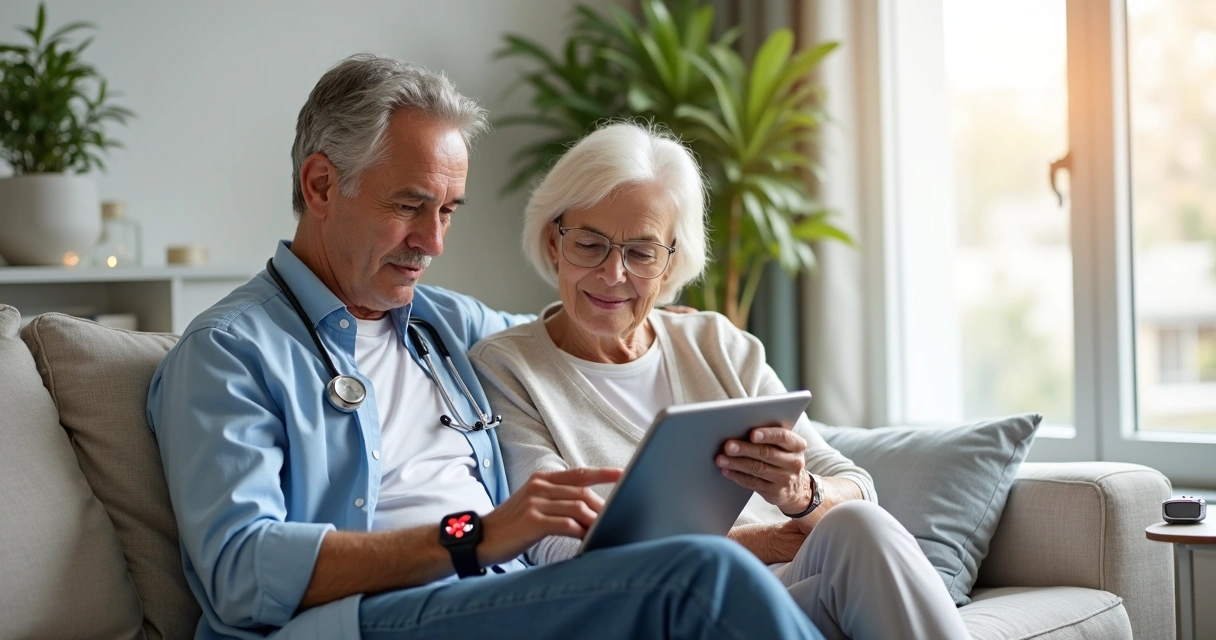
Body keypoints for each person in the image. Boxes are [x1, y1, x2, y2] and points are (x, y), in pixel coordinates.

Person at [146, 55, 823, 640]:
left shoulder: (452, 325)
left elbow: (581, 334)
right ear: (321, 185)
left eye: (446, 211)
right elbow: (239, 571)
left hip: (504, 595)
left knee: (816, 560)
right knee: (698, 578)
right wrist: (474, 537)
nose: (433, 242)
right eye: (409, 206)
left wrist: (656, 314)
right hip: (362, 619)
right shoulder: (229, 353)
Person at [469, 122, 972, 640]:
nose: (613, 274)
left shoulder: (715, 343)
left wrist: (802, 494)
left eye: (641, 252)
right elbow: (564, 549)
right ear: (554, 242)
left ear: (669, 265)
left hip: (787, 591)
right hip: (670, 612)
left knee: (859, 524)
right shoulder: (507, 369)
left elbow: (857, 487)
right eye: (590, 243)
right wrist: (771, 540)